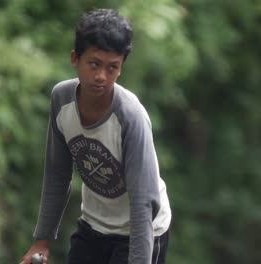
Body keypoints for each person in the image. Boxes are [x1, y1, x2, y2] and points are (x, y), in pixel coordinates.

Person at [20, 8, 172, 264]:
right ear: (75, 59)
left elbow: (142, 203)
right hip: (94, 226)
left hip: (142, 231)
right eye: (94, 64)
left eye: (112, 67)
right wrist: (42, 241)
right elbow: (57, 175)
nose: (101, 76)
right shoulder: (62, 100)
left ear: (121, 68)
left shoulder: (130, 116)